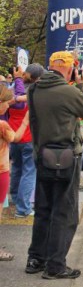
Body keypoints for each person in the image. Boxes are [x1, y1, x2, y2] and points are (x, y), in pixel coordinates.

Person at [25, 51, 83, 279]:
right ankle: (56, 265)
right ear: (70, 68)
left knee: (44, 210)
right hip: (67, 156)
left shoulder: (34, 89)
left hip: (43, 154)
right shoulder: (69, 91)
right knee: (64, 212)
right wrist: (81, 84)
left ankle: (36, 258)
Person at [9, 63, 45, 218]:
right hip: (29, 136)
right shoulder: (36, 92)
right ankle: (23, 208)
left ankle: (16, 199)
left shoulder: (12, 92)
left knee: (16, 168)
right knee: (29, 172)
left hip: (13, 135)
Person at [1, 84, 31, 261]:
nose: (8, 105)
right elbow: (16, 138)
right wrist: (26, 122)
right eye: (6, 102)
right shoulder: (2, 125)